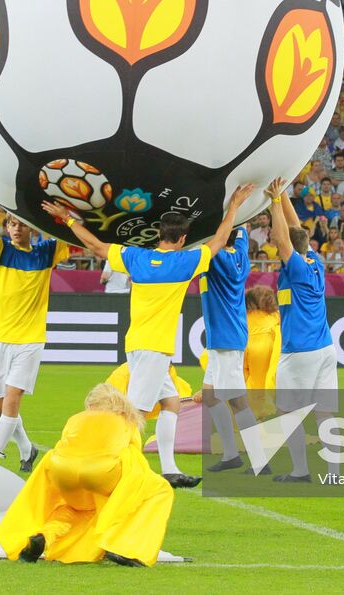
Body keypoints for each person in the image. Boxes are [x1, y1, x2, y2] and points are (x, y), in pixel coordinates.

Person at [44, 182, 255, 488]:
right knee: (135, 413)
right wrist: (234, 204)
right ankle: (106, 466)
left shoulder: (136, 258)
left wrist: (67, 218)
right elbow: (220, 240)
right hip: (153, 350)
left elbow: (97, 247)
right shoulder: (186, 262)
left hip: (142, 344)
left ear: (159, 234)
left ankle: (169, 470)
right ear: (183, 239)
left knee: (171, 403)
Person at [0, 383, 174, 567]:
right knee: (157, 489)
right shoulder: (126, 421)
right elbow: (134, 455)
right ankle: (122, 545)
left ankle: (44, 536)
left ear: (91, 404)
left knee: (75, 508)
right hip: (101, 472)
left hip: (61, 470)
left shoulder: (76, 419)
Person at [0, 199, 68, 472]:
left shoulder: (47, 251)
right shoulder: (2, 249)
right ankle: (27, 448)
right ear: (7, 227)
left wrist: (59, 215)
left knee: (12, 399)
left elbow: (67, 236)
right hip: (0, 337)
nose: (16, 229)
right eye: (12, 224)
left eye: (21, 225)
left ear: (33, 230)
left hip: (30, 340)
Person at [264, 177, 338, 484]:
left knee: (286, 410)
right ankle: (335, 473)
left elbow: (285, 240)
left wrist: (273, 203)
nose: (272, 236)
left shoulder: (294, 266)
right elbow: (295, 234)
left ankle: (300, 470)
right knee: (325, 412)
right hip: (325, 348)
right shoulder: (315, 260)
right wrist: (283, 197)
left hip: (300, 351)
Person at [198, 223, 257, 472]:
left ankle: (259, 457)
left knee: (237, 401)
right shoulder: (240, 250)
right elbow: (243, 227)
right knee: (211, 396)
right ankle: (231, 455)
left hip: (225, 338)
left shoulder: (215, 256)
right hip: (225, 336)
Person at [243, 284, 281, 417]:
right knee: (270, 375)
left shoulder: (244, 315)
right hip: (270, 344)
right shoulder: (276, 316)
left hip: (246, 346)